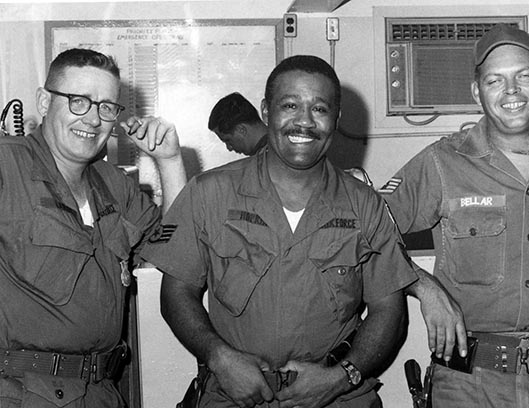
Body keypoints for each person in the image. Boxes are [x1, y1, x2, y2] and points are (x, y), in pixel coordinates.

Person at [142, 55, 418, 408]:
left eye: (319, 108)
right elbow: (177, 292)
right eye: (290, 105)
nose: (304, 121)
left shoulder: (365, 205)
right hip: (235, 394)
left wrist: (340, 377)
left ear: (335, 120)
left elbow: (388, 310)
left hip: (337, 397)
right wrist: (219, 358)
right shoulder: (209, 193)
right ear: (266, 111)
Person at [381, 24, 529, 407]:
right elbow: (367, 235)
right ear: (476, 92)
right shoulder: (442, 162)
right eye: (495, 80)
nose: (511, 91)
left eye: (523, 76)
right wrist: (423, 286)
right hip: (469, 385)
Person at [0, 48, 186, 407]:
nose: (93, 119)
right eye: (78, 101)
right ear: (43, 101)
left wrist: (170, 161)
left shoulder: (112, 182)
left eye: (106, 107)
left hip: (101, 391)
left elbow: (176, 253)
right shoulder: (8, 166)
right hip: (21, 392)